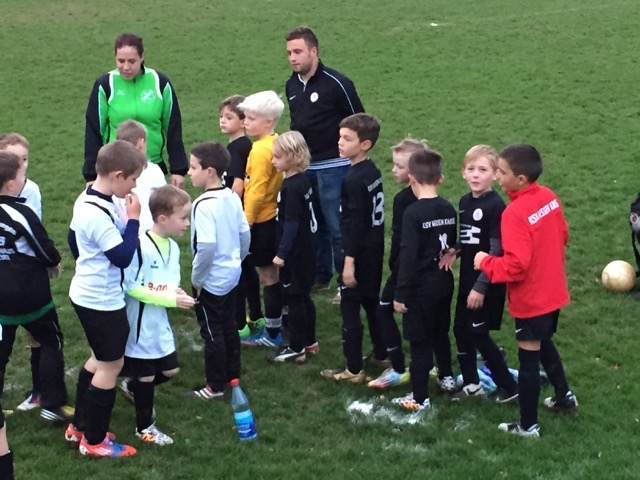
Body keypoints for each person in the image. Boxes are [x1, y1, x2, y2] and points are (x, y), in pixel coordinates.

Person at [474, 144, 577, 438]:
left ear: (520, 179)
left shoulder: (514, 213)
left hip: (532, 296)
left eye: (502, 172)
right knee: (543, 340)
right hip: (553, 288)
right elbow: (564, 234)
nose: (496, 176)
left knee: (529, 358)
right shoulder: (548, 197)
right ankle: (564, 396)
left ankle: (528, 425)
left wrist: (485, 262)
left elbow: (516, 266)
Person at [66, 140, 147, 457]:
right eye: (133, 179)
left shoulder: (87, 197)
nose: (134, 186)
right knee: (111, 365)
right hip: (100, 300)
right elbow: (123, 256)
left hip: (88, 291)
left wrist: (88, 262)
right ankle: (95, 441)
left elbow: (73, 239)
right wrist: (134, 220)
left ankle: (79, 426)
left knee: (99, 359)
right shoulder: (97, 213)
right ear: (117, 175)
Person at [285, 26, 365, 296]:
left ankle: (346, 282)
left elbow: (359, 121)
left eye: (298, 52)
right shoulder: (292, 85)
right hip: (306, 167)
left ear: (313, 51)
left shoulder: (337, 83)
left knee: (337, 227)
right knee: (314, 227)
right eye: (289, 53)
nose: (292, 58)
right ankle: (320, 275)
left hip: (334, 168)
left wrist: (354, 160)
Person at [440, 145, 518, 402]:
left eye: (483, 170)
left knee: (478, 334)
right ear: (462, 172)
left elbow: (496, 249)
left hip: (486, 284)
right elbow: (471, 238)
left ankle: (510, 387)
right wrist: (457, 250)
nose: (475, 175)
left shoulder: (496, 206)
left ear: (495, 174)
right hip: (467, 281)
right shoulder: (465, 202)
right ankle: (472, 385)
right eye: (471, 169)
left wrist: (480, 287)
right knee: (461, 331)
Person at [0, 151, 72, 425]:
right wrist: (54, 261)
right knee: (51, 341)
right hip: (28, 294)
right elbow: (46, 251)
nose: (25, 180)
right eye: (22, 176)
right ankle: (51, 405)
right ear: (11, 184)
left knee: (1, 351)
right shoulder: (21, 213)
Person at [119, 185, 195, 445]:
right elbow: (131, 286)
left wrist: (177, 293)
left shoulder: (172, 247)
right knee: (147, 375)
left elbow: (169, 281)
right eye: (183, 218)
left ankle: (131, 386)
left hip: (159, 321)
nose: (187, 223)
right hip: (139, 323)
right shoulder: (140, 246)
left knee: (170, 370)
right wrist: (169, 298)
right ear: (162, 218)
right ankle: (145, 428)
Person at [320, 113, 385, 383]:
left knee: (350, 309)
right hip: (375, 248)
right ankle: (382, 352)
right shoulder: (372, 170)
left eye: (347, 139)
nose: (340, 142)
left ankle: (353, 369)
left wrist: (349, 262)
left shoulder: (352, 180)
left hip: (358, 254)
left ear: (365, 144)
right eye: (340, 137)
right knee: (371, 302)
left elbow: (355, 224)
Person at [391, 148, 457, 411]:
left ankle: (419, 397)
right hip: (444, 282)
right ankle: (447, 376)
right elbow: (452, 245)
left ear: (411, 178)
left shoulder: (413, 213)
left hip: (419, 288)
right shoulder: (448, 208)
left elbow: (408, 255)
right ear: (440, 179)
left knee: (419, 342)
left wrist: (400, 294)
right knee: (440, 332)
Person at [83, 32, 188, 188]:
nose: (126, 67)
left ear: (142, 57)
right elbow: (93, 130)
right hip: (116, 169)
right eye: (121, 61)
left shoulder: (160, 82)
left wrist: (178, 169)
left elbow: (173, 126)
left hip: (152, 165)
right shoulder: (105, 85)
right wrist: (91, 175)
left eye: (132, 61)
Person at [188, 142, 250, 399]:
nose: (189, 172)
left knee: (212, 331)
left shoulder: (203, 204)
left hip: (211, 280)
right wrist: (237, 260)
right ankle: (232, 375)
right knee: (228, 325)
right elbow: (244, 234)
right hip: (232, 275)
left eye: (193, 167)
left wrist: (197, 279)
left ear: (210, 171)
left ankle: (214, 386)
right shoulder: (232, 196)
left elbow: (206, 246)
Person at [368, 138, 428, 389]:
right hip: (425, 270)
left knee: (384, 309)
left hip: (406, 268)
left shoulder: (405, 200)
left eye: (399, 167)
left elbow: (403, 239)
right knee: (421, 317)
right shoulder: (432, 199)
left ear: (414, 172)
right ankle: (429, 364)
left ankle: (398, 366)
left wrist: (397, 266)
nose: (393, 170)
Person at [237, 91, 286, 348]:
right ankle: (281, 322)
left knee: (268, 276)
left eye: (251, 118)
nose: (245, 122)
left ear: (269, 121)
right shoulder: (276, 143)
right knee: (274, 274)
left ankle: (273, 332)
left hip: (262, 220)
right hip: (274, 215)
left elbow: (255, 190)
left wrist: (246, 221)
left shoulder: (258, 150)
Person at [0, 133, 43, 412]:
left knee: (37, 334)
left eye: (25, 159)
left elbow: (34, 232)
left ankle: (40, 391)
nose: (22, 165)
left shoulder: (32, 190)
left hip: (27, 273)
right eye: (16, 159)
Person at [268, 131, 318, 363]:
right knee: (305, 296)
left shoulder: (290, 187)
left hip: (296, 253)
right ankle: (310, 341)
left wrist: (281, 253)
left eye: (277, 157)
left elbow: (291, 223)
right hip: (308, 248)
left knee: (295, 299)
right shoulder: (305, 180)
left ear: (294, 156)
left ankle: (297, 347)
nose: (273, 161)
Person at [218, 95, 265, 338]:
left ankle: (239, 324)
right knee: (247, 267)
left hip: (237, 217)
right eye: (221, 116)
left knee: (236, 269)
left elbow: (237, 185)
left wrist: (227, 212)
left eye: (229, 117)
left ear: (243, 120)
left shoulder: (236, 149)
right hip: (245, 216)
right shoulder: (245, 145)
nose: (222, 121)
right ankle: (256, 315)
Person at [112, 120, 167, 231]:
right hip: (151, 232)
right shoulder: (153, 170)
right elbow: (165, 200)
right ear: (141, 143)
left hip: (120, 231)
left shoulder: (112, 171)